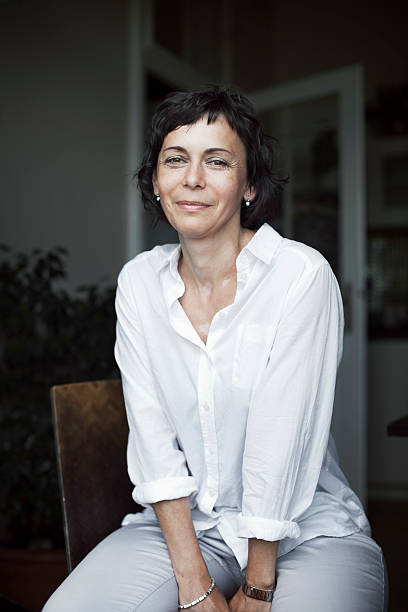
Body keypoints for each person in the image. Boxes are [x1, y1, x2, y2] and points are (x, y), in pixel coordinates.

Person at [43, 87, 387, 611]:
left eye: (218, 161)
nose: (192, 178)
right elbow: (153, 440)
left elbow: (281, 436)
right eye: (175, 160)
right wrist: (193, 582)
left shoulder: (300, 275)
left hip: (304, 533)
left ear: (249, 184)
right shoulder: (139, 282)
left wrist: (257, 583)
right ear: (156, 182)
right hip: (187, 527)